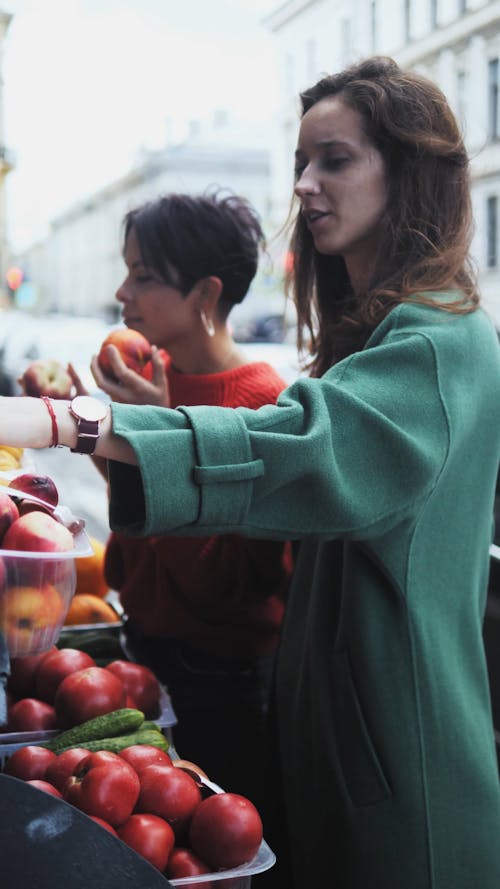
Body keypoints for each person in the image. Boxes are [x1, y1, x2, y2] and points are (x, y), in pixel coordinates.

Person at [2, 56, 500, 888]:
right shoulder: (391, 338)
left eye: (335, 160)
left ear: (410, 171)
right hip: (344, 753)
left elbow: (295, 450)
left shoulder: (440, 343)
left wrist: (69, 421)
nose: (303, 185)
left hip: (407, 774)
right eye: (302, 161)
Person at [73, 189, 293, 815]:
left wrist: (156, 427)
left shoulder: (262, 405)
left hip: (221, 679)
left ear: (206, 294)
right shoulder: (151, 374)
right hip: (144, 646)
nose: (123, 294)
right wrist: (99, 428)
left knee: (214, 843)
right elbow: (137, 517)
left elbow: (224, 579)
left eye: (143, 277)